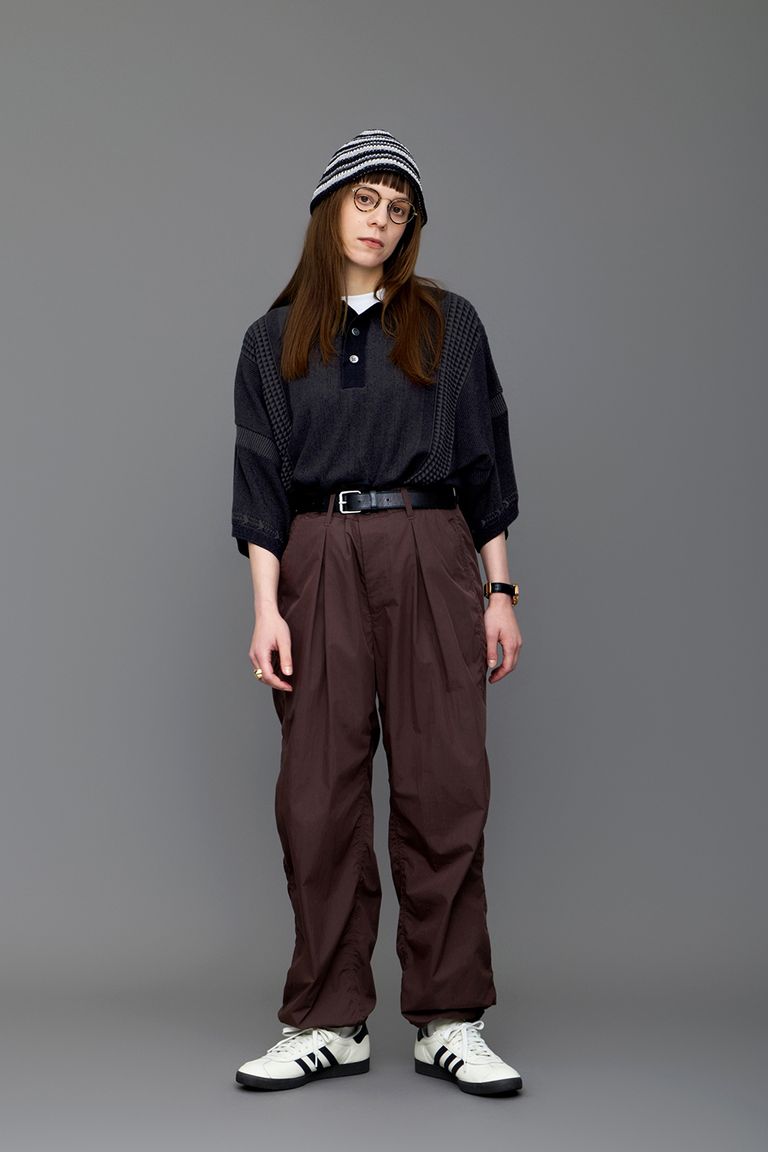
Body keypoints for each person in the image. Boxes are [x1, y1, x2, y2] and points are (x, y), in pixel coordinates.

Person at [230, 129, 524, 1097]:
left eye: (399, 209)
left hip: (431, 546)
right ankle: (329, 1019)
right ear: (330, 210)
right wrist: (267, 609)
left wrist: (500, 591)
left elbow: (484, 462)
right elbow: (260, 486)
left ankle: (449, 1017)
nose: (382, 222)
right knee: (317, 798)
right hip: (316, 555)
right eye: (367, 201)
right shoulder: (273, 339)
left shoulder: (449, 323)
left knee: (445, 785)